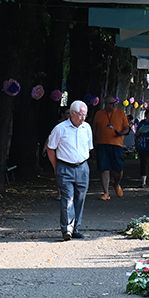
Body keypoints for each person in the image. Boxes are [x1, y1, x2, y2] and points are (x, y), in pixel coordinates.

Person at [45, 101, 94, 241]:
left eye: (85, 115)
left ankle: (76, 227)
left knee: (80, 198)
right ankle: (67, 229)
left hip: (82, 166)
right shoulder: (60, 129)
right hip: (65, 167)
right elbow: (50, 148)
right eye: (80, 115)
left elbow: (89, 147)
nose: (83, 118)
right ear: (72, 113)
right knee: (68, 198)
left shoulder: (87, 128)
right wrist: (56, 167)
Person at [92, 95, 131, 199]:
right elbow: (94, 129)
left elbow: (127, 128)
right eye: (111, 103)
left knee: (118, 169)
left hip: (117, 144)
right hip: (102, 144)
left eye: (115, 103)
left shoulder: (121, 113)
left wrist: (121, 133)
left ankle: (116, 183)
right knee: (104, 168)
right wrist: (93, 143)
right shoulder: (99, 114)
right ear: (105, 104)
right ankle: (106, 192)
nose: (113, 105)